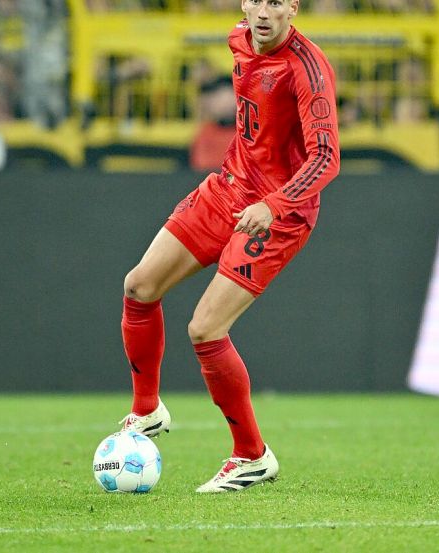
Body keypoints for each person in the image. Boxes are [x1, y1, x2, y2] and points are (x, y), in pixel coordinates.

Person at [118, 0, 339, 493]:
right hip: (228, 189)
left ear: (293, 9)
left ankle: (251, 457)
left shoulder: (307, 69)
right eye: (257, 0)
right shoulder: (237, 38)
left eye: (277, 2)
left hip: (279, 213)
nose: (264, 11)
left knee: (205, 328)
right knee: (139, 286)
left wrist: (275, 204)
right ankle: (147, 410)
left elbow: (327, 159)